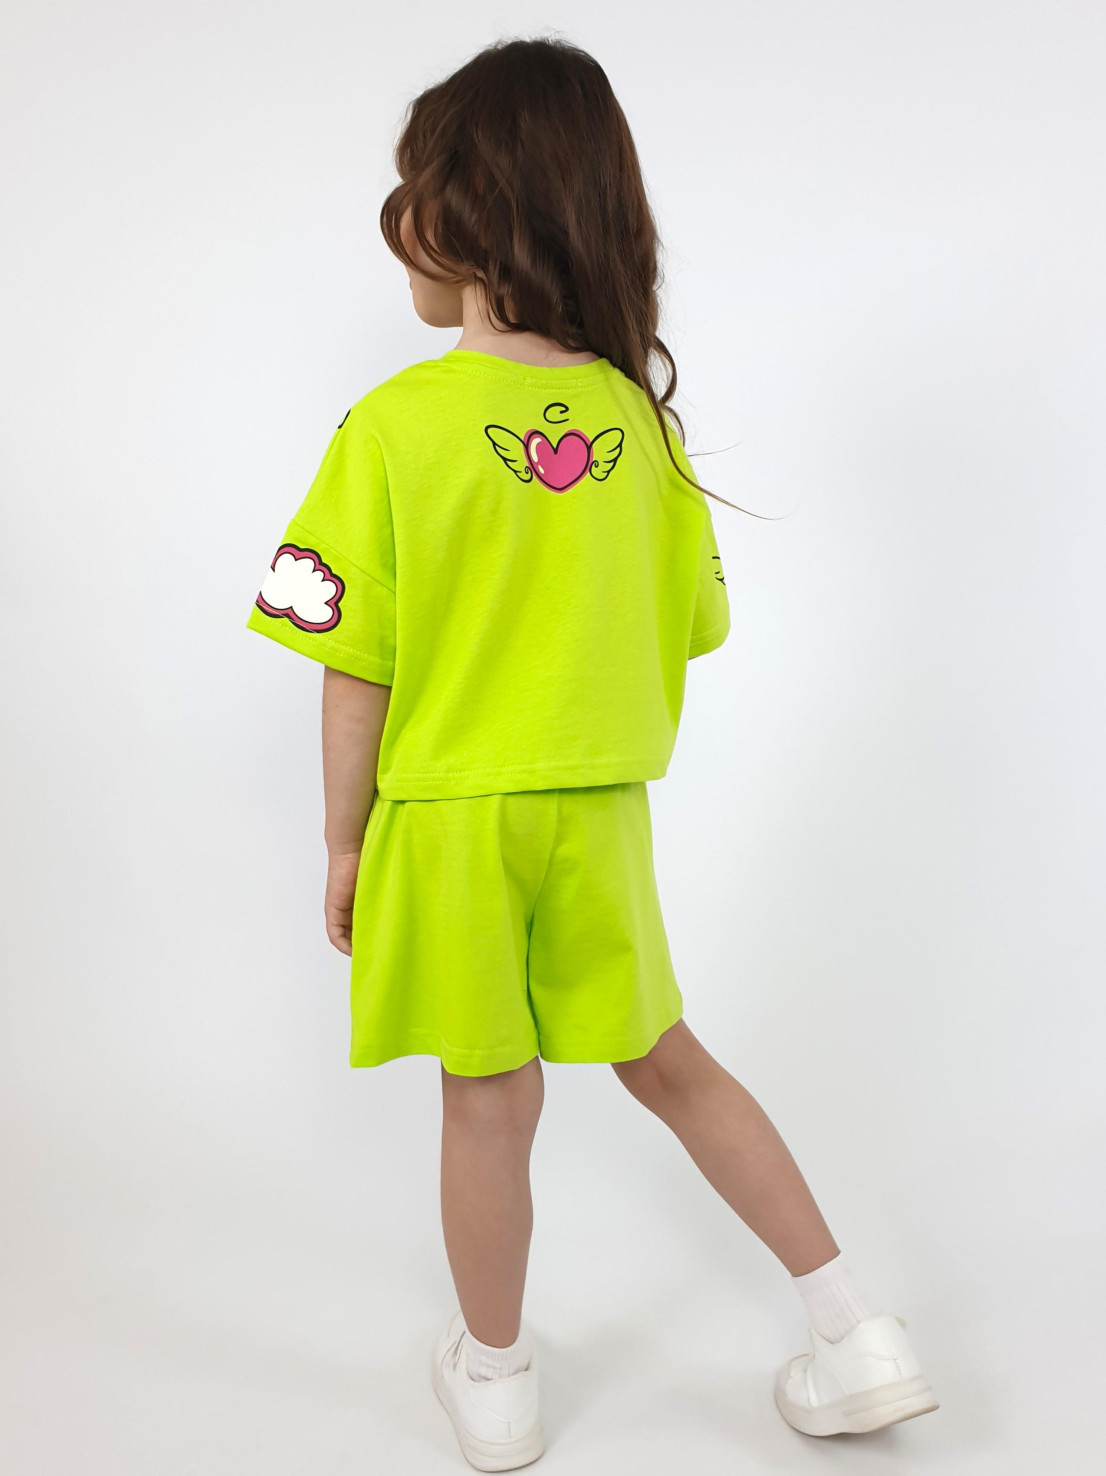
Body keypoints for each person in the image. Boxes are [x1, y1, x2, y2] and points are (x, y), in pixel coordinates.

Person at [247, 35, 938, 1471]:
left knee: (487, 1098)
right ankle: (855, 1331)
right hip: (601, 818)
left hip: (448, 818)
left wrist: (343, 841)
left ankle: (496, 1381)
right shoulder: (637, 421)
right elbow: (694, 625)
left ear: (460, 212)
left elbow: (351, 662)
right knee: (668, 1061)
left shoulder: (392, 429)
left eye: (411, 187)